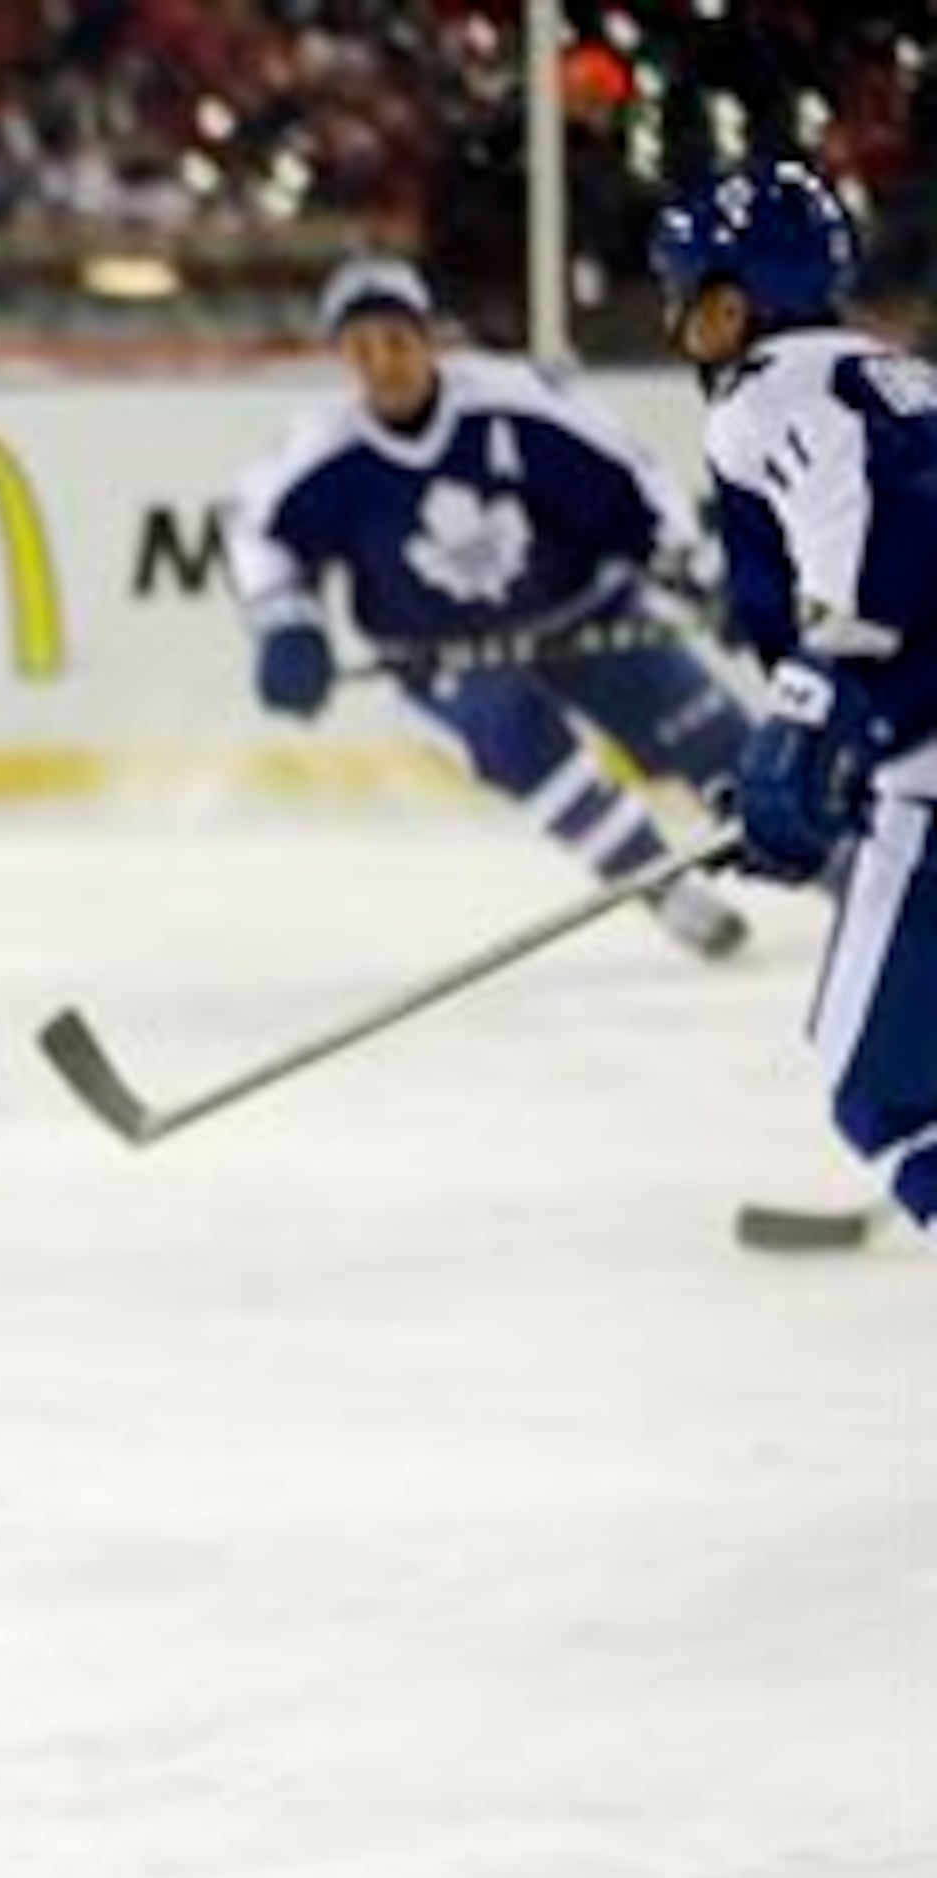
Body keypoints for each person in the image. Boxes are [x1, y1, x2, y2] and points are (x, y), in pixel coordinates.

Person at [231, 254, 753, 961]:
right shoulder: (322, 453)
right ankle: (663, 888)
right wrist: (286, 623)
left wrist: (696, 569)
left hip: (587, 616)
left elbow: (630, 484)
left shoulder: (514, 401)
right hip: (442, 658)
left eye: (396, 340)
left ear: (428, 337)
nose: (383, 363)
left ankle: (852, 873)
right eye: (361, 348)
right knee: (519, 740)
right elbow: (259, 538)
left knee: (719, 747)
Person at [656, 161, 937, 1233]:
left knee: (886, 1095)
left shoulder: (767, 394)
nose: (677, 319)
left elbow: (879, 552)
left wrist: (812, 710)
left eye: (685, 293)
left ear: (730, 304)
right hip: (909, 747)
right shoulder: (896, 373)